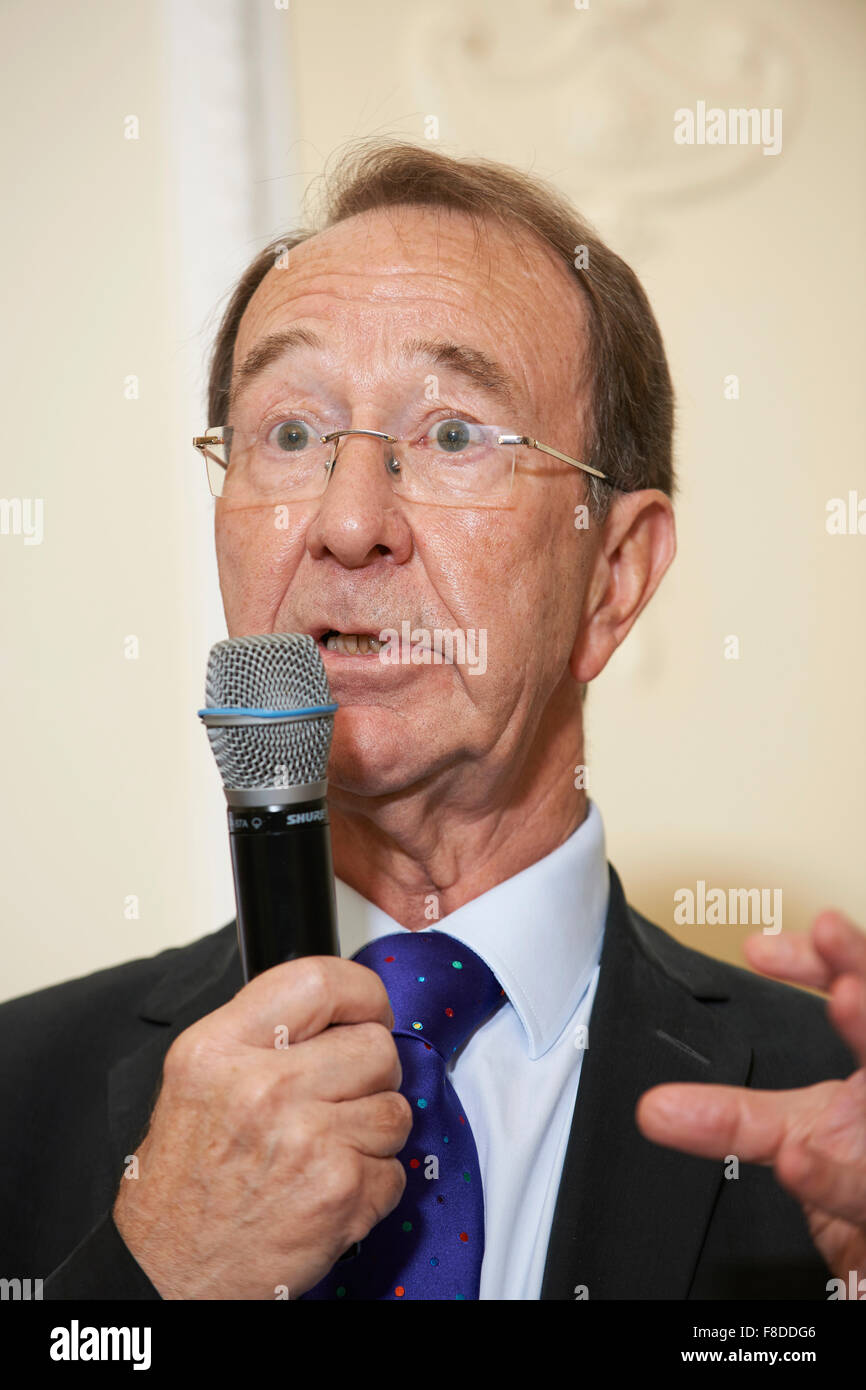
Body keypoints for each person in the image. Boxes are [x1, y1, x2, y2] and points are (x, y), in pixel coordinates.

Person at [1, 141, 863, 1301]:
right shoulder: (18, 1089)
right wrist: (153, 1277)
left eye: (453, 435)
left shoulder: (823, 1111)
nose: (347, 522)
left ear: (611, 576)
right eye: (292, 434)